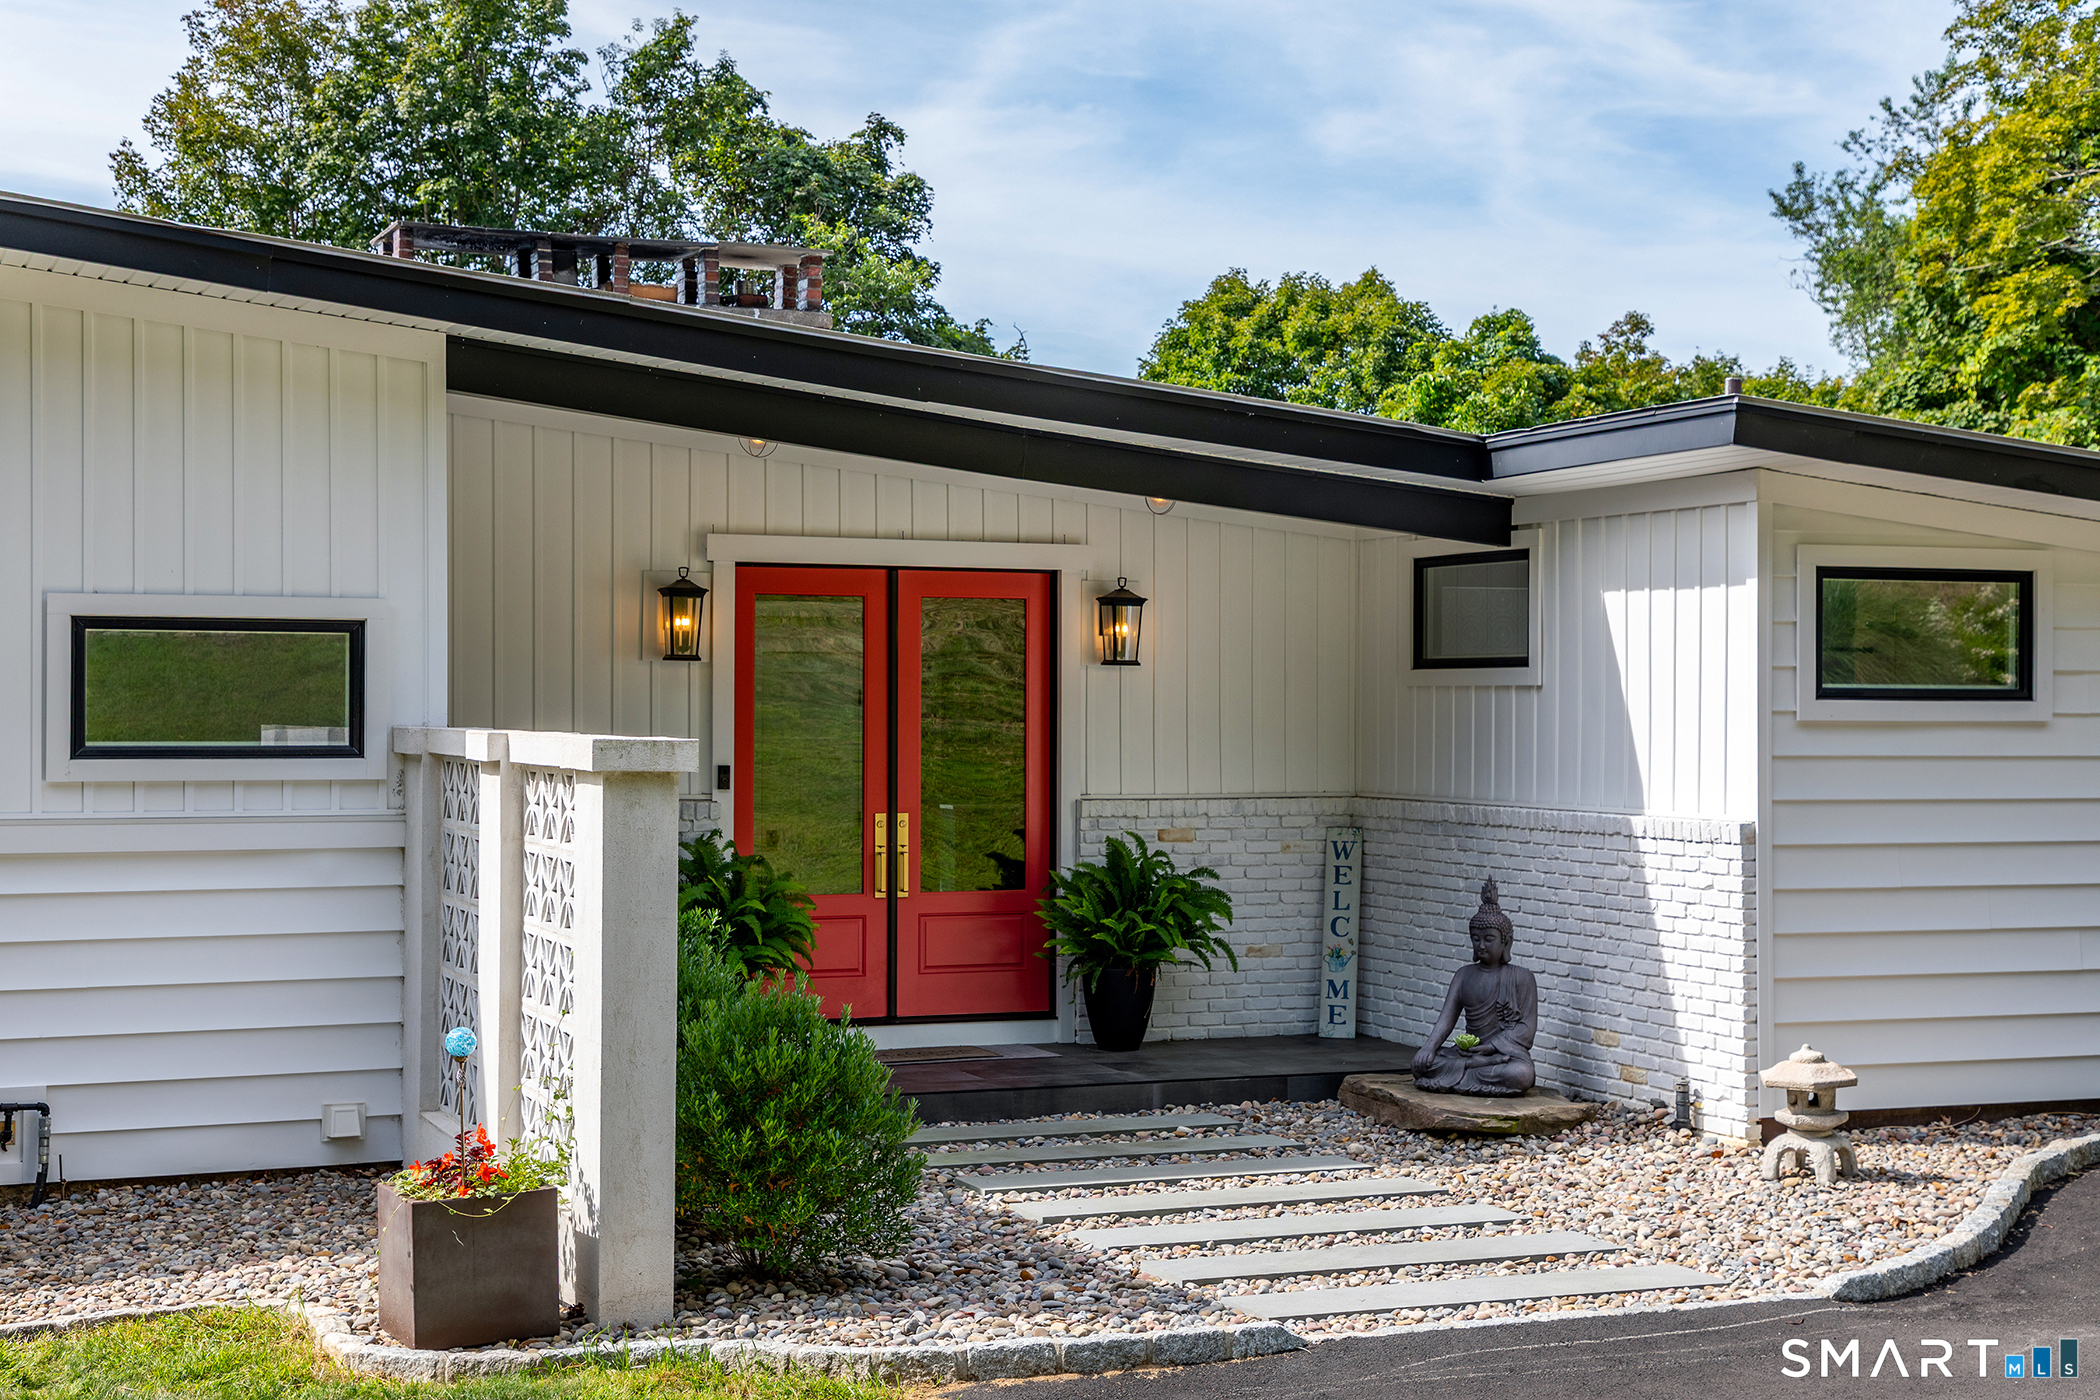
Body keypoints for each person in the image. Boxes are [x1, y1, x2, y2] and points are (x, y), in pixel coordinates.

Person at [1410, 879, 1538, 1097]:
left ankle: (1472, 1070)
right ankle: (1473, 1067)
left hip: (1504, 1053)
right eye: (1475, 939)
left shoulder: (1521, 977)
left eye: (1489, 939)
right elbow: (1446, 1020)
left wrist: (1493, 1047)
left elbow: (1527, 1028)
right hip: (1468, 1053)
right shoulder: (1464, 975)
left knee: (1522, 1074)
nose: (1481, 945)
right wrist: (1429, 1047)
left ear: (1505, 942)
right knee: (1421, 1064)